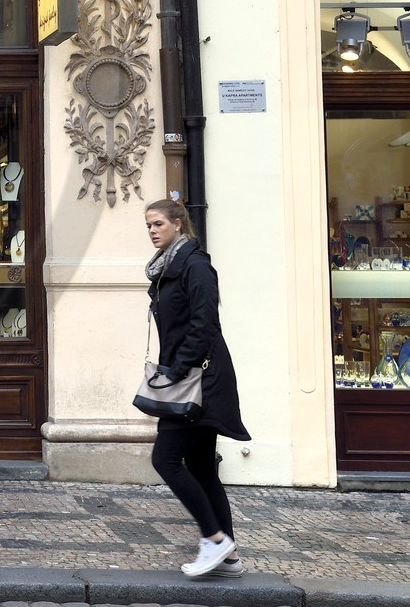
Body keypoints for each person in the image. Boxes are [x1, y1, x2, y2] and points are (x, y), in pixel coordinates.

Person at [143, 197, 250, 578]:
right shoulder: (169, 268)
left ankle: (216, 539)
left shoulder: (195, 265)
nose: (153, 231)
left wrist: (176, 371)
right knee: (203, 468)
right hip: (191, 376)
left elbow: (203, 325)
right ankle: (231, 560)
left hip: (200, 379)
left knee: (165, 459)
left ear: (178, 223)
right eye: (149, 226)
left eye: (157, 224)